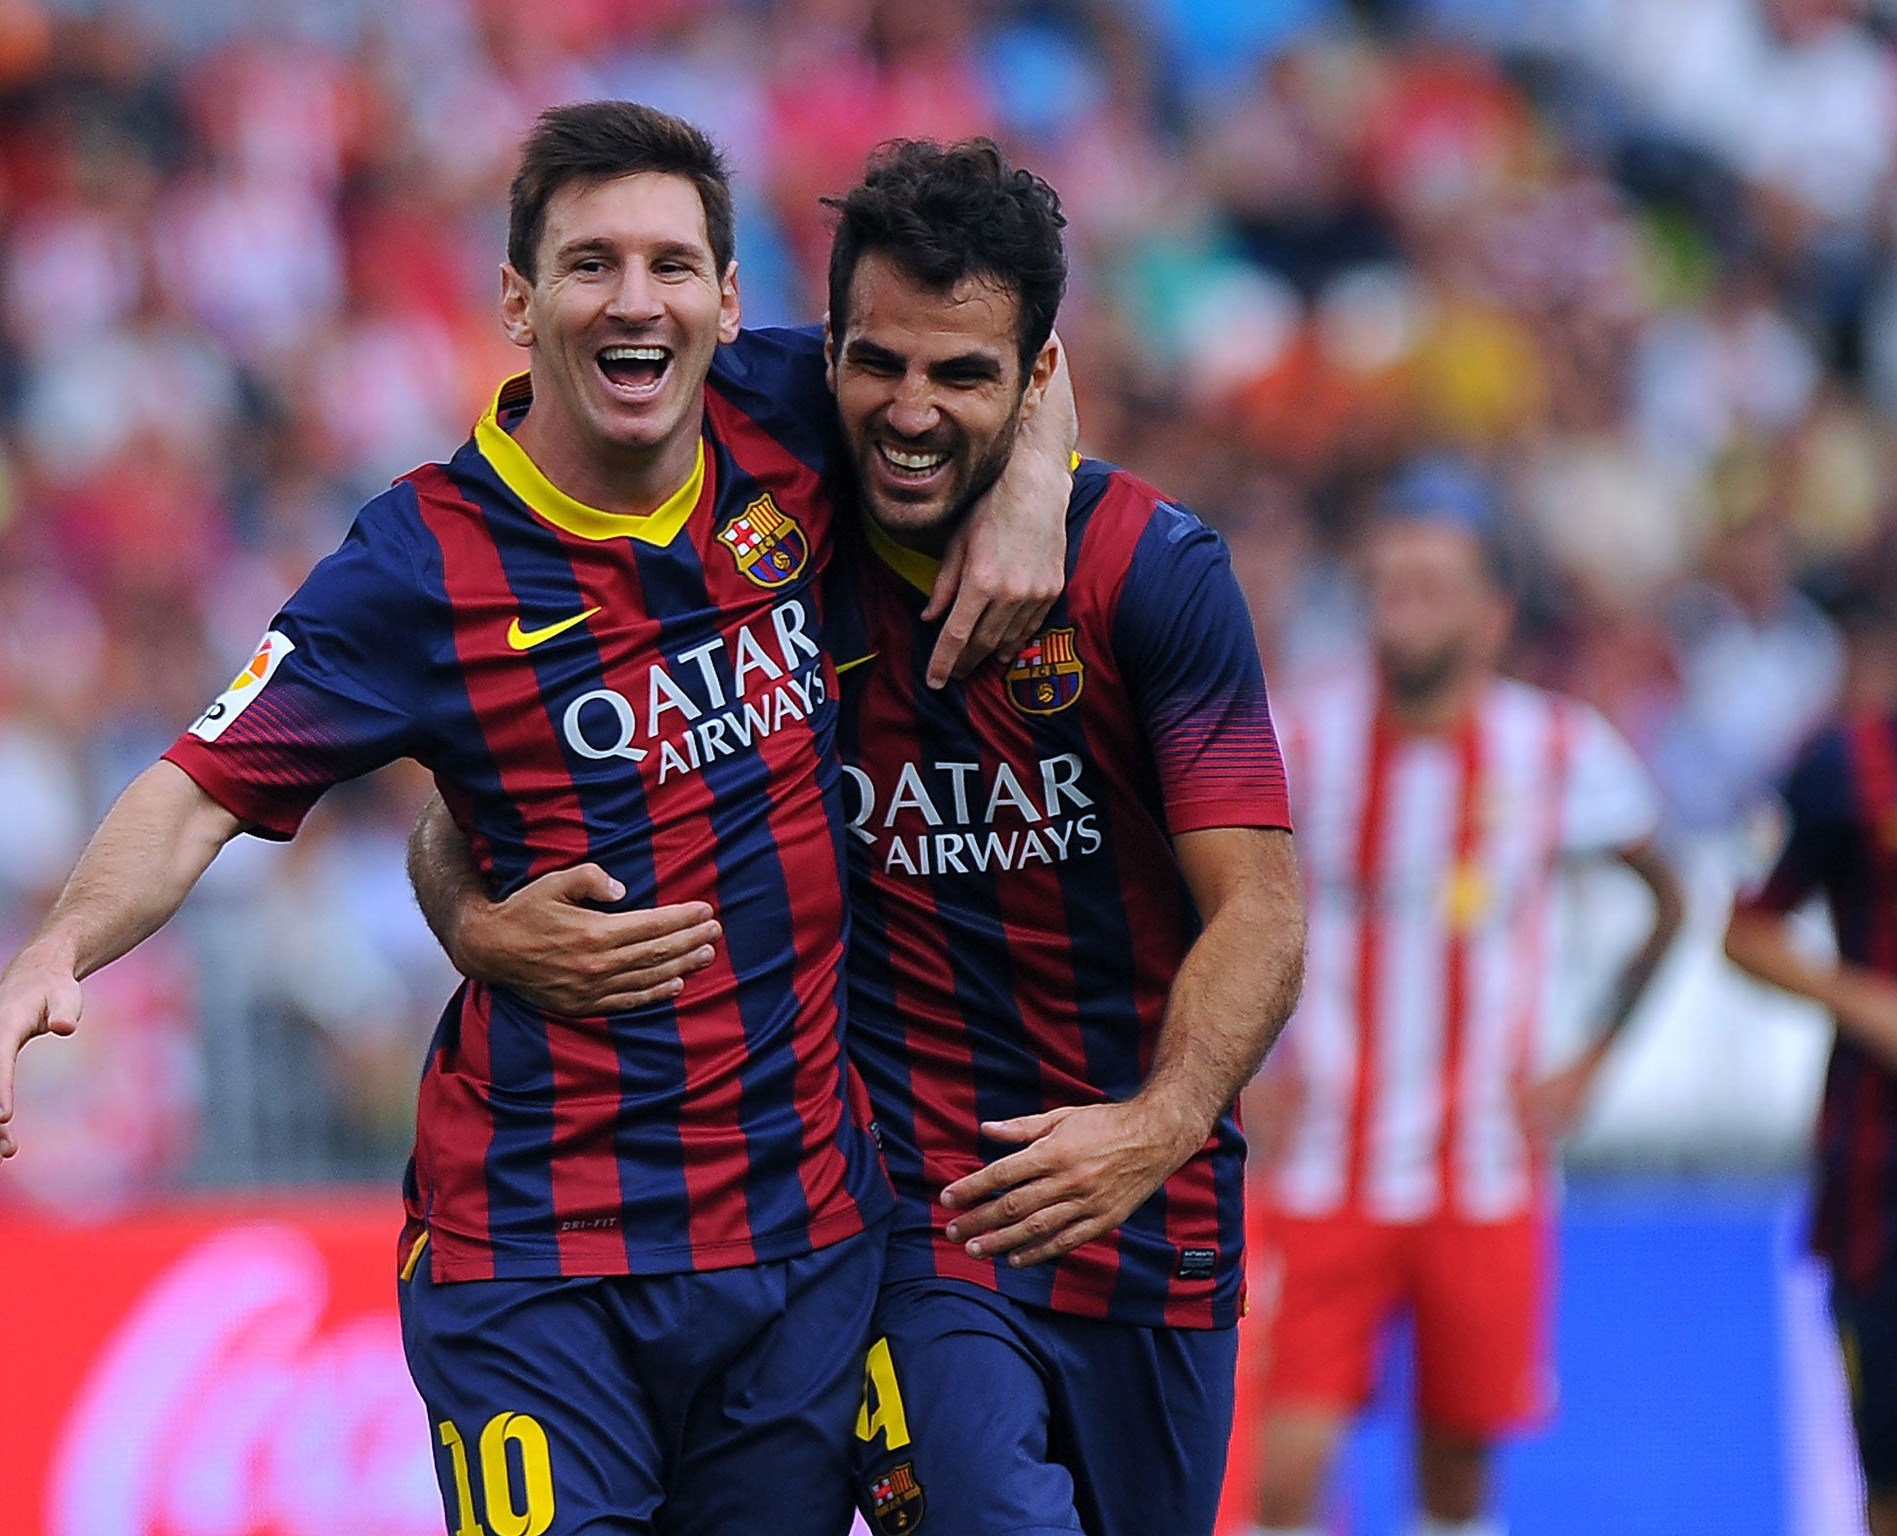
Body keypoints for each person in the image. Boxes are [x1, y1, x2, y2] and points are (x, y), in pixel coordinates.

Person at [0, 101, 1074, 1536]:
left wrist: (1036, 485)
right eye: (591, 261)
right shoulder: (423, 561)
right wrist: (60, 946)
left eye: (673, 264)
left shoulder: (794, 413)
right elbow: (199, 784)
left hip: (801, 1244)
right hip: (539, 1254)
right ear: (517, 299)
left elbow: (1001, 357)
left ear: (730, 302)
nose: (636, 298)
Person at [411, 138, 1308, 1536]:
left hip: (1151, 1217)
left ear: (1034, 378)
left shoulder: (1150, 574)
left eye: (965, 376)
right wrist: (472, 921)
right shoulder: (758, 522)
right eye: (879, 364)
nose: (911, 410)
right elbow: (482, 787)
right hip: (910, 1221)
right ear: (823, 351)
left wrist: (1160, 1122)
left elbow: (1259, 904)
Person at [1248, 463, 1684, 1536]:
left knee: (1453, 1477)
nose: (1402, 608)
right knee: (1282, 1468)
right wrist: (1234, 1073)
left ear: (1492, 615)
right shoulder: (1299, 737)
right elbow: (1190, 900)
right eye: (1388, 585)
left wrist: (1592, 1058)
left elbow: (1667, 902)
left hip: (1482, 1169)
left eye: (1431, 587)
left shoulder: (1556, 747)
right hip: (1320, 1160)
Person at [1725, 506, 1897, 1536]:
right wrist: (1877, 1009)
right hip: (1888, 1196)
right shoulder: (1843, 767)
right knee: (1896, 1478)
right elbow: (1745, 930)